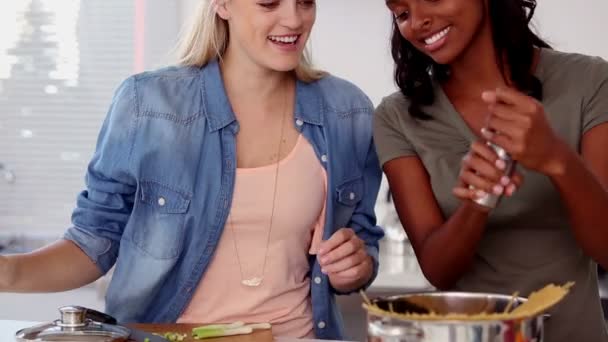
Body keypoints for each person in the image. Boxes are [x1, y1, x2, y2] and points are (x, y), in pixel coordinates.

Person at [0, 0, 384, 339]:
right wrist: (8, 273)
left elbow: (362, 244)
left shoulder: (347, 111)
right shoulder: (148, 105)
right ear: (222, 5)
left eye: (305, 2)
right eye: (269, 3)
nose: (294, 19)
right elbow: (93, 244)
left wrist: (356, 267)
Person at [373, 0, 608, 340]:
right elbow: (439, 270)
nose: (418, 22)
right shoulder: (396, 117)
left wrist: (558, 159)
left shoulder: (589, 81)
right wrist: (477, 202)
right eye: (402, 13)